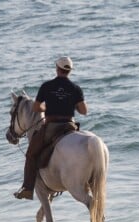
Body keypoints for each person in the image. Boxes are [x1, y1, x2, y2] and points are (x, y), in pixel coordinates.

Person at [14, 56, 88, 200]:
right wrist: (71, 103)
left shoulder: (47, 86)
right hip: (70, 126)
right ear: (69, 71)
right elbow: (84, 111)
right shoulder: (75, 88)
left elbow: (36, 107)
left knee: (30, 154)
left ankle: (28, 189)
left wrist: (47, 106)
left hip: (52, 127)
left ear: (57, 69)